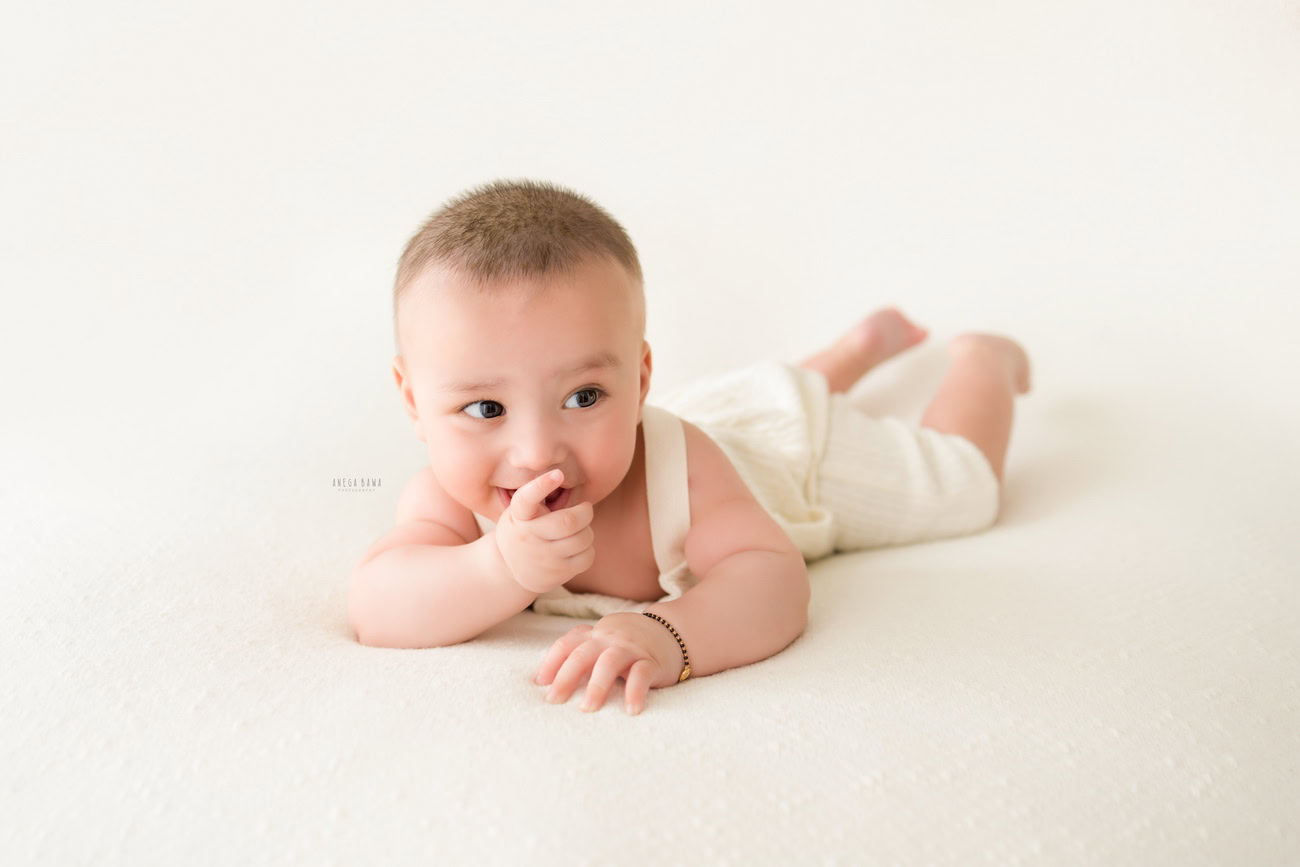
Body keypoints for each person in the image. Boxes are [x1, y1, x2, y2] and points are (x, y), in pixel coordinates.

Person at [347, 178, 1032, 715]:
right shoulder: (448, 498)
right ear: (413, 401)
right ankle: (852, 353)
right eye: (485, 408)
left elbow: (773, 576)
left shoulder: (683, 472)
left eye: (583, 396)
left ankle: (984, 360)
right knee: (750, 395)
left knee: (961, 488)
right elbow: (378, 607)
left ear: (639, 377)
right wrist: (500, 564)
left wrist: (671, 634)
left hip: (791, 451)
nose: (536, 452)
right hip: (720, 405)